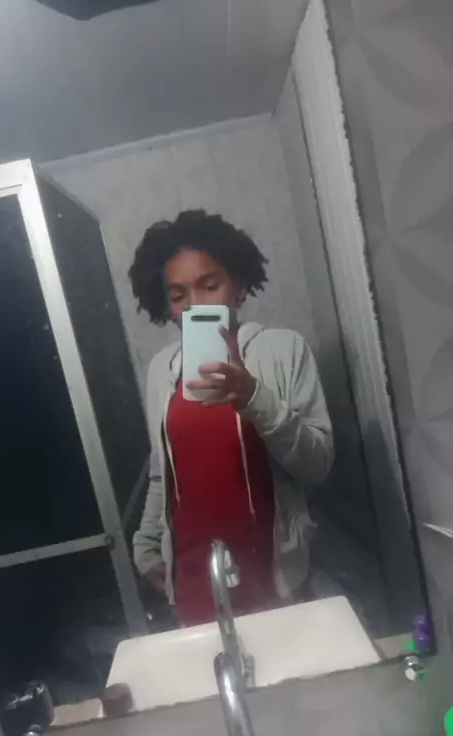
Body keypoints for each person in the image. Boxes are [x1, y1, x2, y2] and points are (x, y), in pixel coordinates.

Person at [130, 210, 334, 627]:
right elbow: (163, 474)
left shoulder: (283, 350)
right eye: (178, 295)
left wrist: (253, 396)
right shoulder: (162, 370)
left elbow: (317, 465)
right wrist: (146, 545)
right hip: (193, 576)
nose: (195, 304)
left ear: (238, 285)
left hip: (272, 577)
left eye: (210, 285)